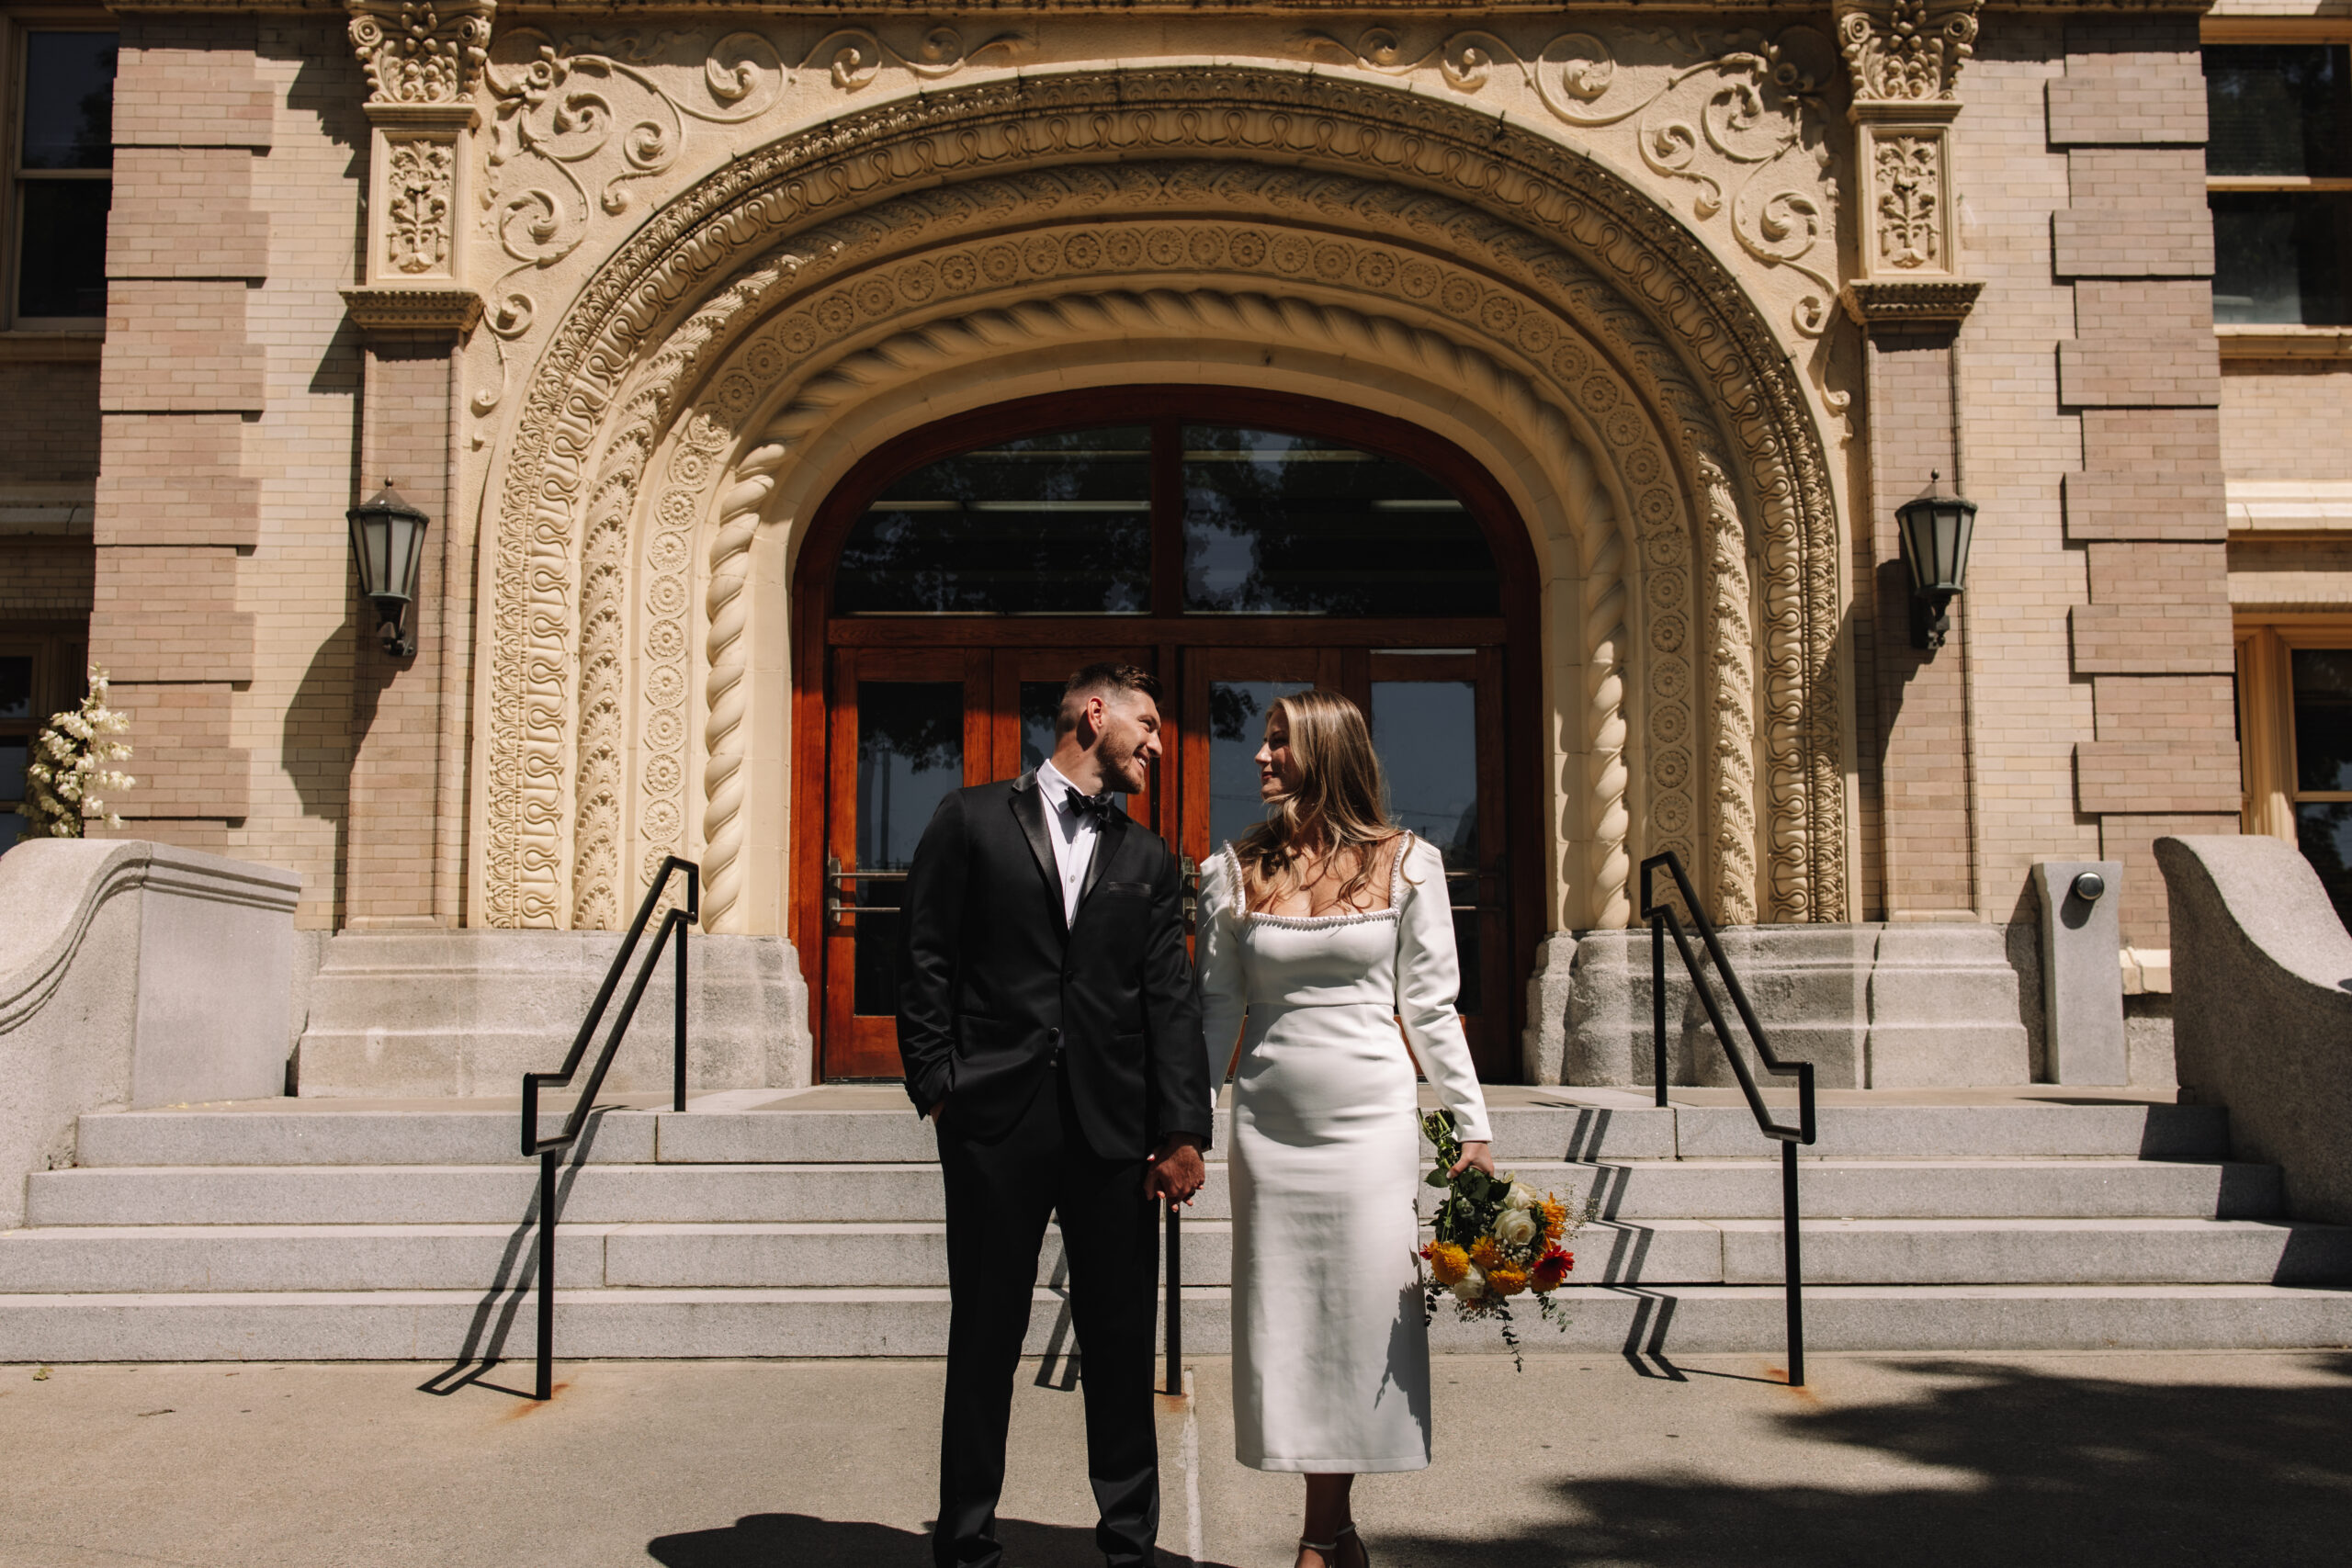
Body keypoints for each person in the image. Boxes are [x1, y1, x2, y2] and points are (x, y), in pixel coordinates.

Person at [898, 661, 1214, 1568]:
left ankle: (1128, 1547)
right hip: (993, 1118)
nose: (1159, 743)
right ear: (1093, 711)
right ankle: (963, 1544)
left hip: (1114, 1132)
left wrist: (1181, 1128)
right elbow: (923, 957)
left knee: (1120, 1345)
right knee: (984, 1334)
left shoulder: (1149, 859)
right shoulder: (967, 820)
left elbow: (1170, 1001)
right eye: (1147, 725)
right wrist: (937, 1083)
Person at [1195, 688, 1495, 1568]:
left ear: (1326, 751)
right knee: (1288, 1323)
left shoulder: (1409, 864)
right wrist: (1189, 1123)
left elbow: (1433, 1009)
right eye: (1262, 740)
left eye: (1279, 741)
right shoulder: (1235, 868)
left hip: (1370, 1131)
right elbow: (1218, 1008)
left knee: (1360, 1321)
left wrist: (1469, 1123)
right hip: (1271, 1129)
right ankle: (1336, 1533)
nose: (1259, 756)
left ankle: (1321, 1535)